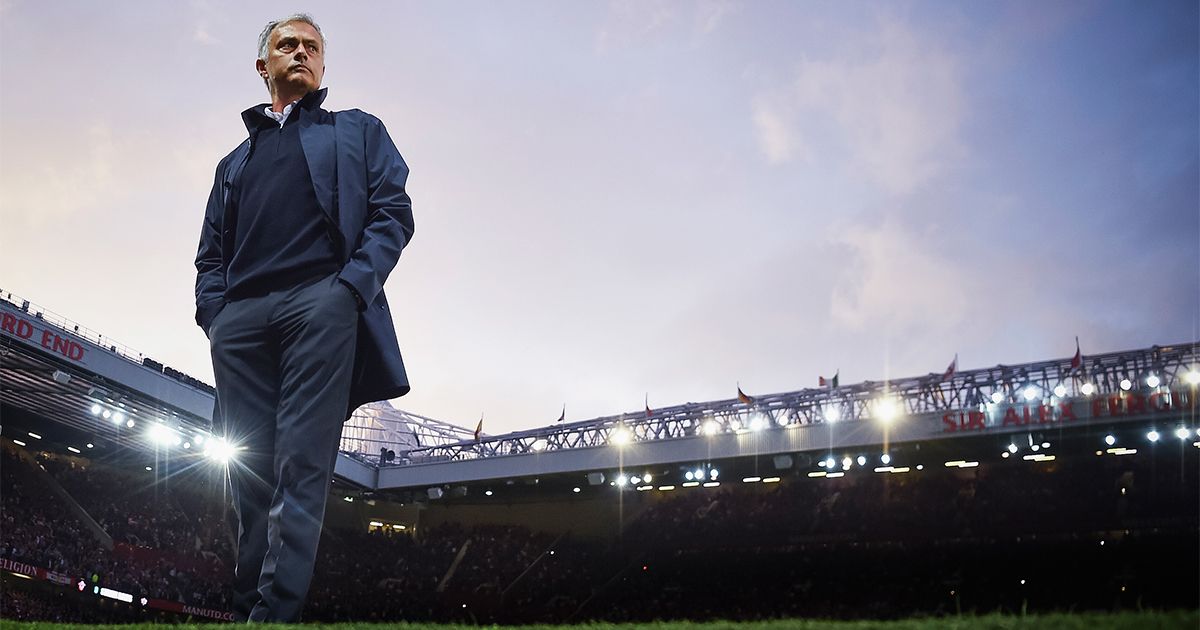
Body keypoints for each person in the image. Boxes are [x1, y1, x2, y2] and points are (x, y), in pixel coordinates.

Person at [192, 12, 414, 622]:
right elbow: (210, 253)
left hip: (321, 304)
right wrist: (217, 315)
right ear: (263, 66)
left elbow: (394, 213)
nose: (300, 52)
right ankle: (244, 612)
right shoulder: (233, 163)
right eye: (286, 45)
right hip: (241, 320)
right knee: (249, 476)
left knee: (301, 468)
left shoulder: (359, 131)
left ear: (322, 66)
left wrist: (348, 291)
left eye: (311, 46)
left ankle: (273, 618)